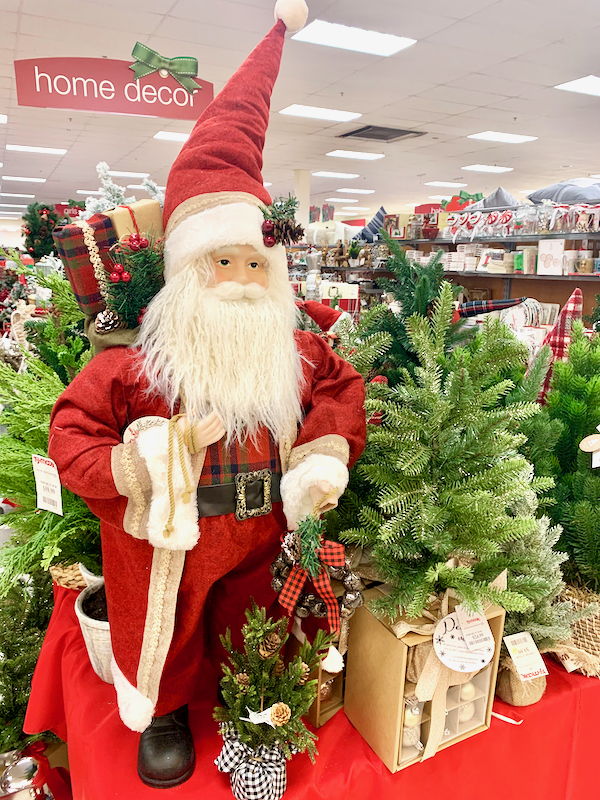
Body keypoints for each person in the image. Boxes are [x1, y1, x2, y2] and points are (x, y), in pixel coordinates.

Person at [48, 0, 366, 789]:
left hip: (261, 527)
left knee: (250, 629)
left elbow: (341, 387)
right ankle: (162, 712)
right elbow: (72, 433)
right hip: (169, 544)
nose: (242, 280)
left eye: (254, 265)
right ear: (189, 273)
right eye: (221, 264)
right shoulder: (132, 370)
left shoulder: (294, 349)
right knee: (172, 630)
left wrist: (322, 459)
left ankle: (244, 703)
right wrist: (147, 458)